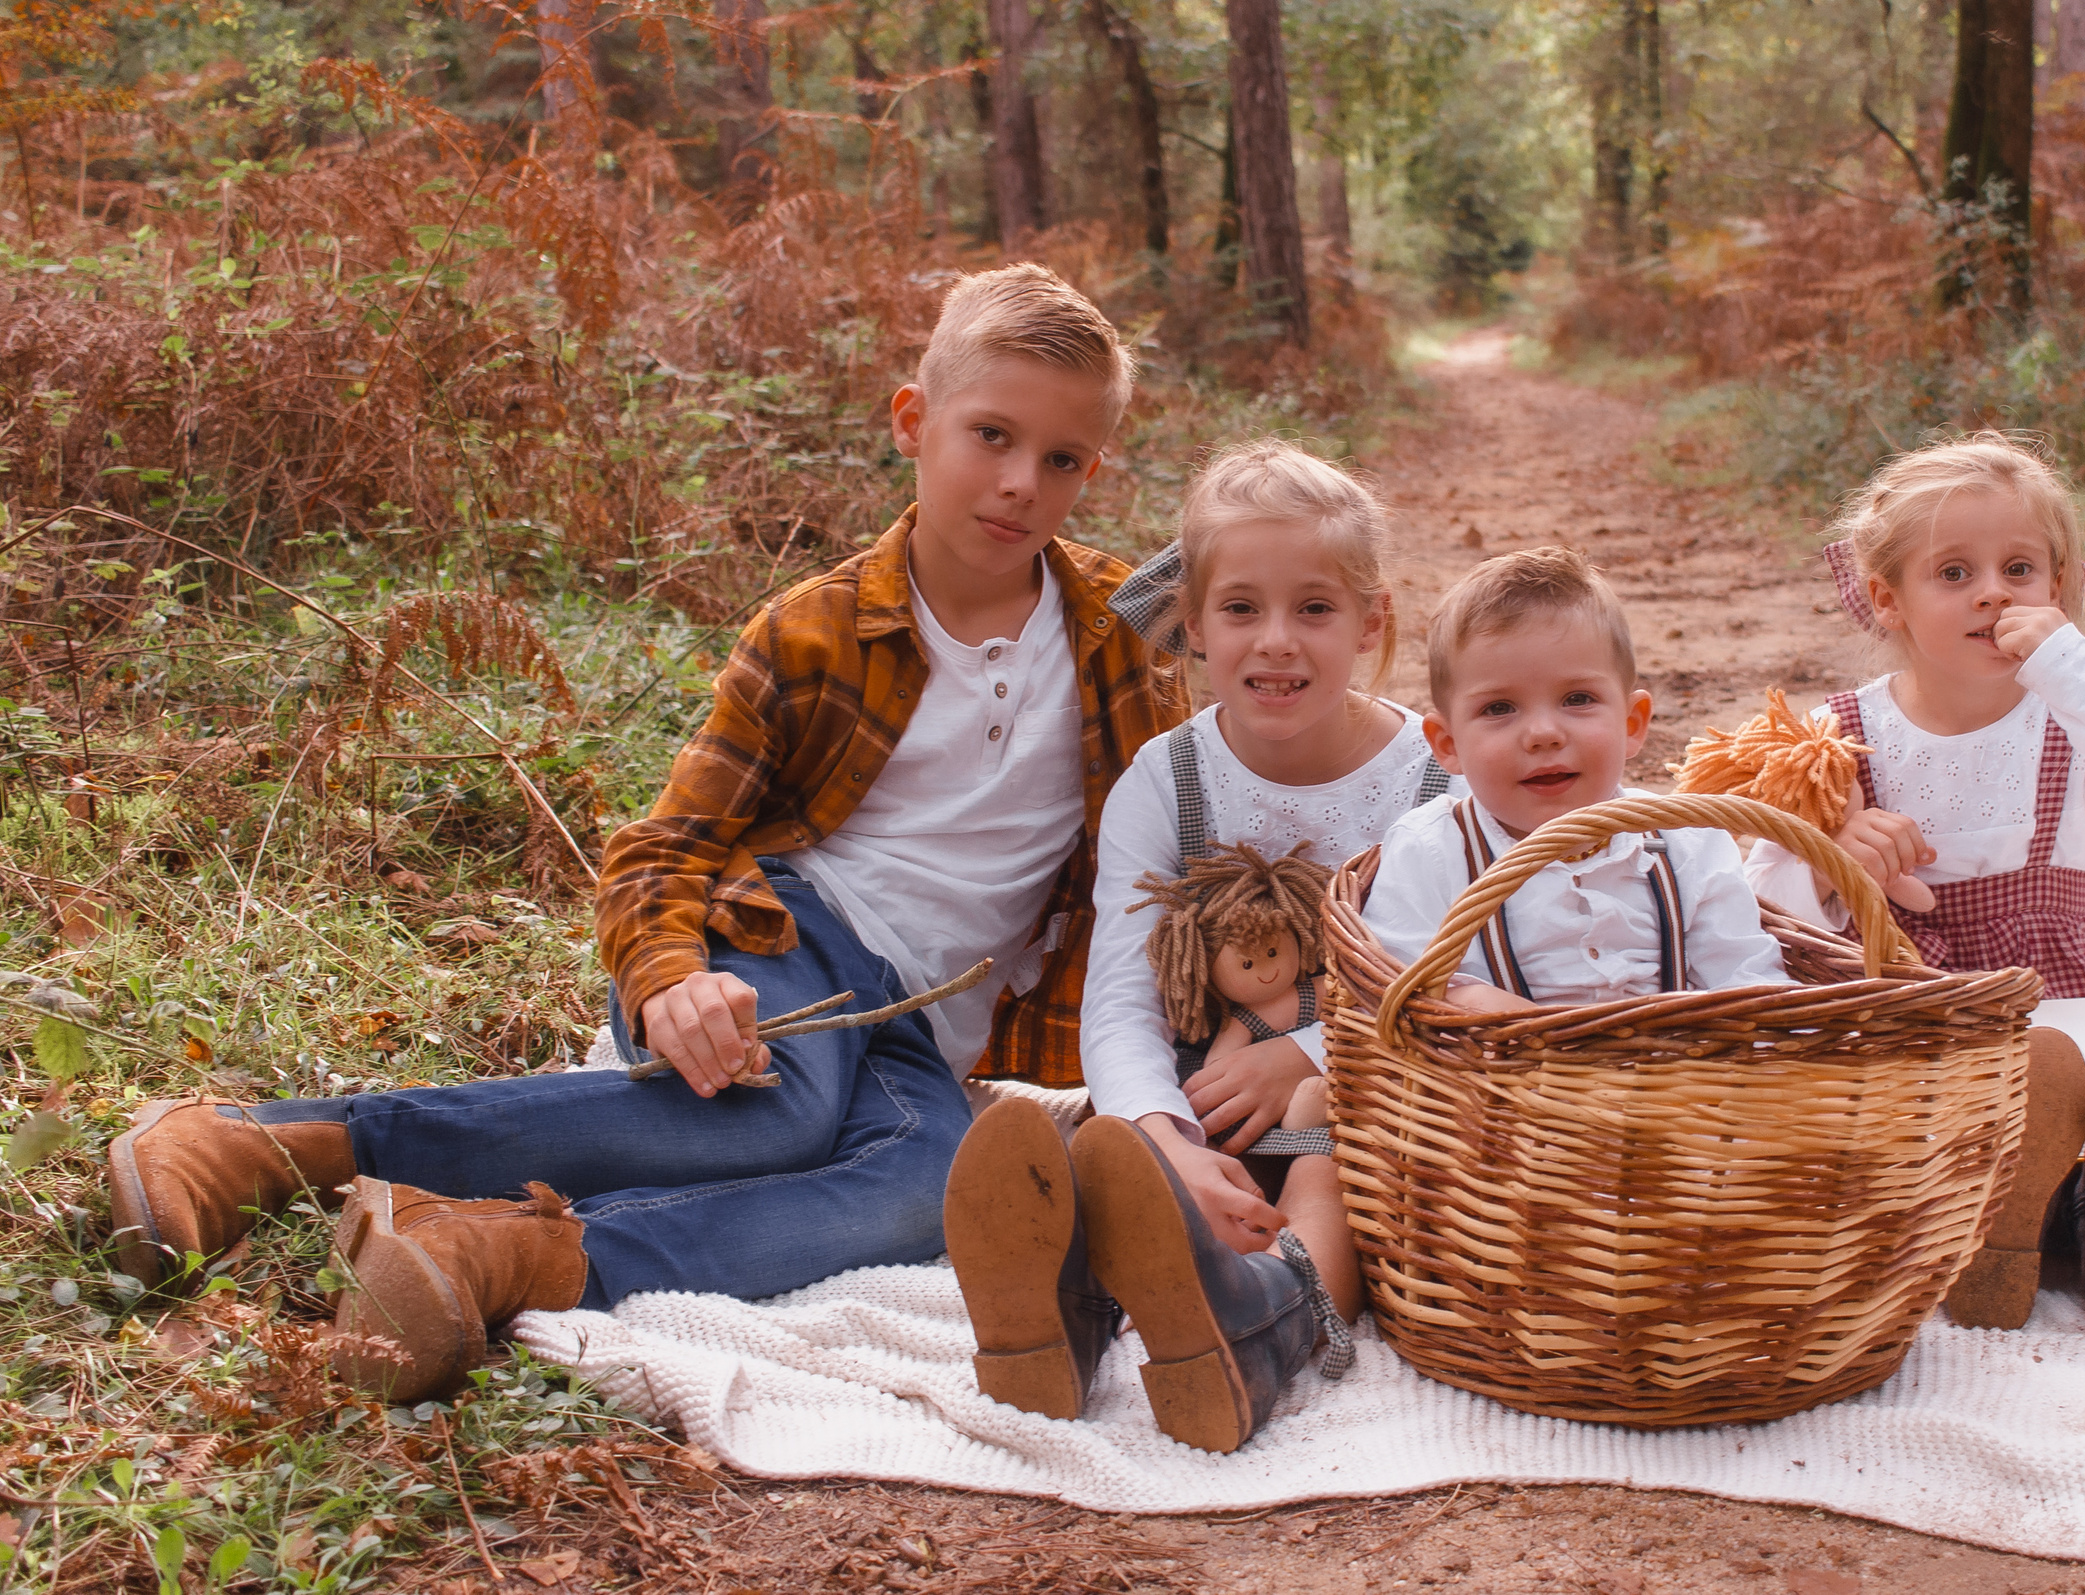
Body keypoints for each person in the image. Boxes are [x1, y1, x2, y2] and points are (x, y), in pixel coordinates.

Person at [104, 264, 1189, 1401]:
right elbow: (666, 845)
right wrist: (671, 976)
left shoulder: (1117, 633)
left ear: (1092, 471)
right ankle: (274, 1144)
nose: (1020, 483)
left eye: (1061, 459)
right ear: (914, 422)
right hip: (786, 939)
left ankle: (493, 1252)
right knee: (779, 1112)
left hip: (921, 1024)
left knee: (928, 1188)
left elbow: (1255, 671)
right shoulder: (816, 631)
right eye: (991, 436)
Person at [944, 439, 1438, 1454]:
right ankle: (1057, 1323)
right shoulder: (1165, 781)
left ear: (1371, 621)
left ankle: (1264, 1324)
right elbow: (1120, 1002)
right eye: (1242, 609)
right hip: (1197, 1095)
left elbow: (1438, 980)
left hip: (1363, 1087)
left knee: (1328, 1160)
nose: (1276, 643)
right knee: (1106, 1147)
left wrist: (1298, 1056)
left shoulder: (1433, 780)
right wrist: (1167, 1143)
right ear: (1196, 626)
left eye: (1315, 608)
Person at [1744, 431, 2085, 1338]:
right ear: (1887, 598)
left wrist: (2080, 672)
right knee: (1891, 1131)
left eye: (2021, 568)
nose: (1992, 593)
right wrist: (1832, 853)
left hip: (2058, 1006)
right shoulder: (1837, 735)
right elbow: (1754, 915)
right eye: (1955, 572)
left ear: (2062, 587)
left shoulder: (2081, 720)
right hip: (1906, 1011)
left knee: (2077, 1086)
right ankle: (2008, 1217)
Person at [1361, 545, 1794, 1017]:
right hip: (1491, 1083)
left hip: (1679, 1078)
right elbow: (1400, 986)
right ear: (1447, 744)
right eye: (1499, 709)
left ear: (1632, 723)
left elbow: (1750, 984)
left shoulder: (1690, 843)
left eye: (1578, 698)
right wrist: (1503, 1017)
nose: (1544, 734)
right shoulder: (1429, 851)